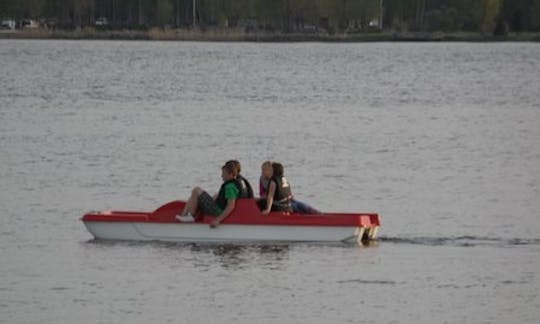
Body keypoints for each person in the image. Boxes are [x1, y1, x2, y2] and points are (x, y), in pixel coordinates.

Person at [176, 161, 246, 227]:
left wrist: (218, 220)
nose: (221, 176)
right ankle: (184, 215)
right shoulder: (235, 183)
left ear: (230, 174)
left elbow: (231, 206)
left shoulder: (230, 187)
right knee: (193, 197)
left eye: (224, 174)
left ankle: (190, 216)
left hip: (218, 212)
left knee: (196, 190)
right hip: (218, 208)